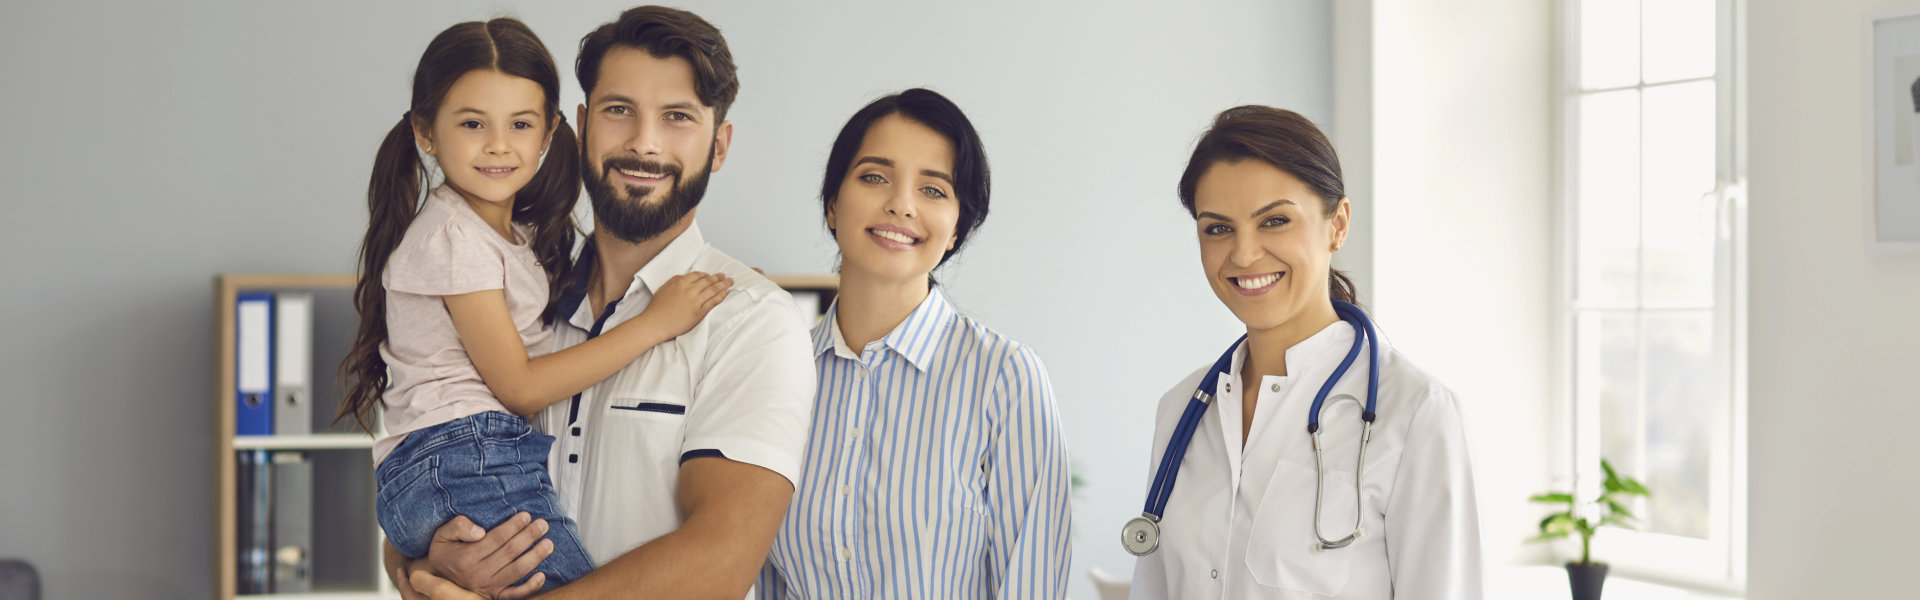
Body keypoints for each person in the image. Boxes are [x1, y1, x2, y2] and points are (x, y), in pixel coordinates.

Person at [385, 7, 817, 599]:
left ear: (719, 146)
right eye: (620, 111)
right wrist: (427, 561)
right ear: (580, 126)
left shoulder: (750, 322)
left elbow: (718, 563)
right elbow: (436, 472)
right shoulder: (529, 297)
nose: (644, 142)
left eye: (678, 117)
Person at [1126, 106, 1482, 599]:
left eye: (1274, 221)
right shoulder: (1182, 409)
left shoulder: (1415, 413)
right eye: (1217, 228)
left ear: (1337, 224)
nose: (1244, 254)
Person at [755, 89, 1073, 599]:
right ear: (833, 204)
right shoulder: (779, 371)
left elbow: (1032, 584)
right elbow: (762, 573)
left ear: (955, 230)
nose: (900, 204)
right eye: (875, 177)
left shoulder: (1006, 377)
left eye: (933, 190)